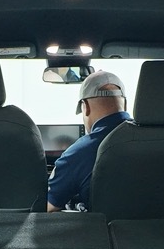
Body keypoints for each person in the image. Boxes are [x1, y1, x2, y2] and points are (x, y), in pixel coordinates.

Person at [46, 71, 131, 212]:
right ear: (125, 104)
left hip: (103, 226)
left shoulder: (78, 154)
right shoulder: (158, 140)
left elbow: (46, 208)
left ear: (86, 107)